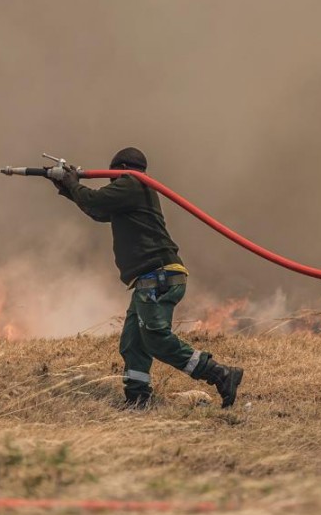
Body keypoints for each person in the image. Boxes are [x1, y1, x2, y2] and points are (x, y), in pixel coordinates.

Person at [53, 147, 243, 409]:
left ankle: (220, 374)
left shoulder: (131, 183)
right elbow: (97, 211)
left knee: (155, 339)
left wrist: (71, 183)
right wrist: (66, 188)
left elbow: (96, 201)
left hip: (159, 276)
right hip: (151, 278)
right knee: (133, 343)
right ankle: (138, 399)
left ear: (118, 169)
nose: (111, 185)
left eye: (112, 180)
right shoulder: (135, 191)